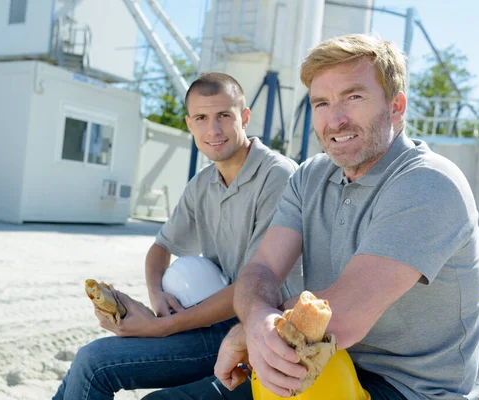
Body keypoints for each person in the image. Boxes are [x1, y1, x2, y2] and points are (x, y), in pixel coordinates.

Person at [214, 33, 479, 399]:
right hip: (322, 363)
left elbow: (341, 316)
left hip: (409, 388)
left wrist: (246, 332)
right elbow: (260, 269)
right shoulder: (310, 176)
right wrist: (258, 318)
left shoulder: (429, 183)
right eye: (321, 103)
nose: (335, 120)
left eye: (353, 97)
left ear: (396, 106)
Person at [53, 72, 302, 400]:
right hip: (210, 321)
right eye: (201, 118)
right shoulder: (203, 183)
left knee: (95, 363)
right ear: (189, 123)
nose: (213, 130)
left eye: (224, 116)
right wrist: (157, 299)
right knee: (87, 363)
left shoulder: (278, 176)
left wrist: (161, 327)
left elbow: (254, 285)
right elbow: (161, 248)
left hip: (259, 327)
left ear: (244, 117)